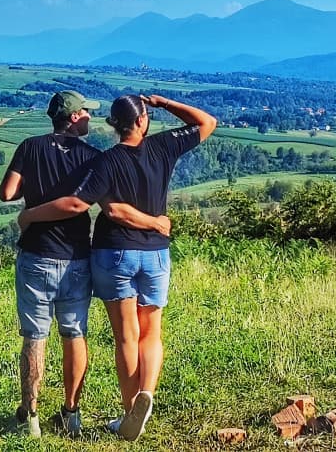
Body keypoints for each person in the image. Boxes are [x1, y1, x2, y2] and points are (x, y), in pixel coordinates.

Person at [17, 94, 216, 441]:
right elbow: (206, 122)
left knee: (126, 336)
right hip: (155, 254)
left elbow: (95, 207)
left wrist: (30, 215)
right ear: (142, 121)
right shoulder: (163, 147)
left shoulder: (105, 162)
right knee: (151, 331)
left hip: (113, 254)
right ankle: (146, 395)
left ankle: (129, 411)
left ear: (113, 124)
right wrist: (163, 103)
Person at [0, 90, 168, 438]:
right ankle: (71, 414)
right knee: (74, 334)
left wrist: (32, 205)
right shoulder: (93, 157)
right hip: (76, 256)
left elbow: (8, 193)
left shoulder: (30, 146)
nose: (91, 117)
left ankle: (30, 416)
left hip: (35, 254)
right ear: (74, 117)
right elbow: (104, 205)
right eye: (86, 113)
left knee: (35, 336)